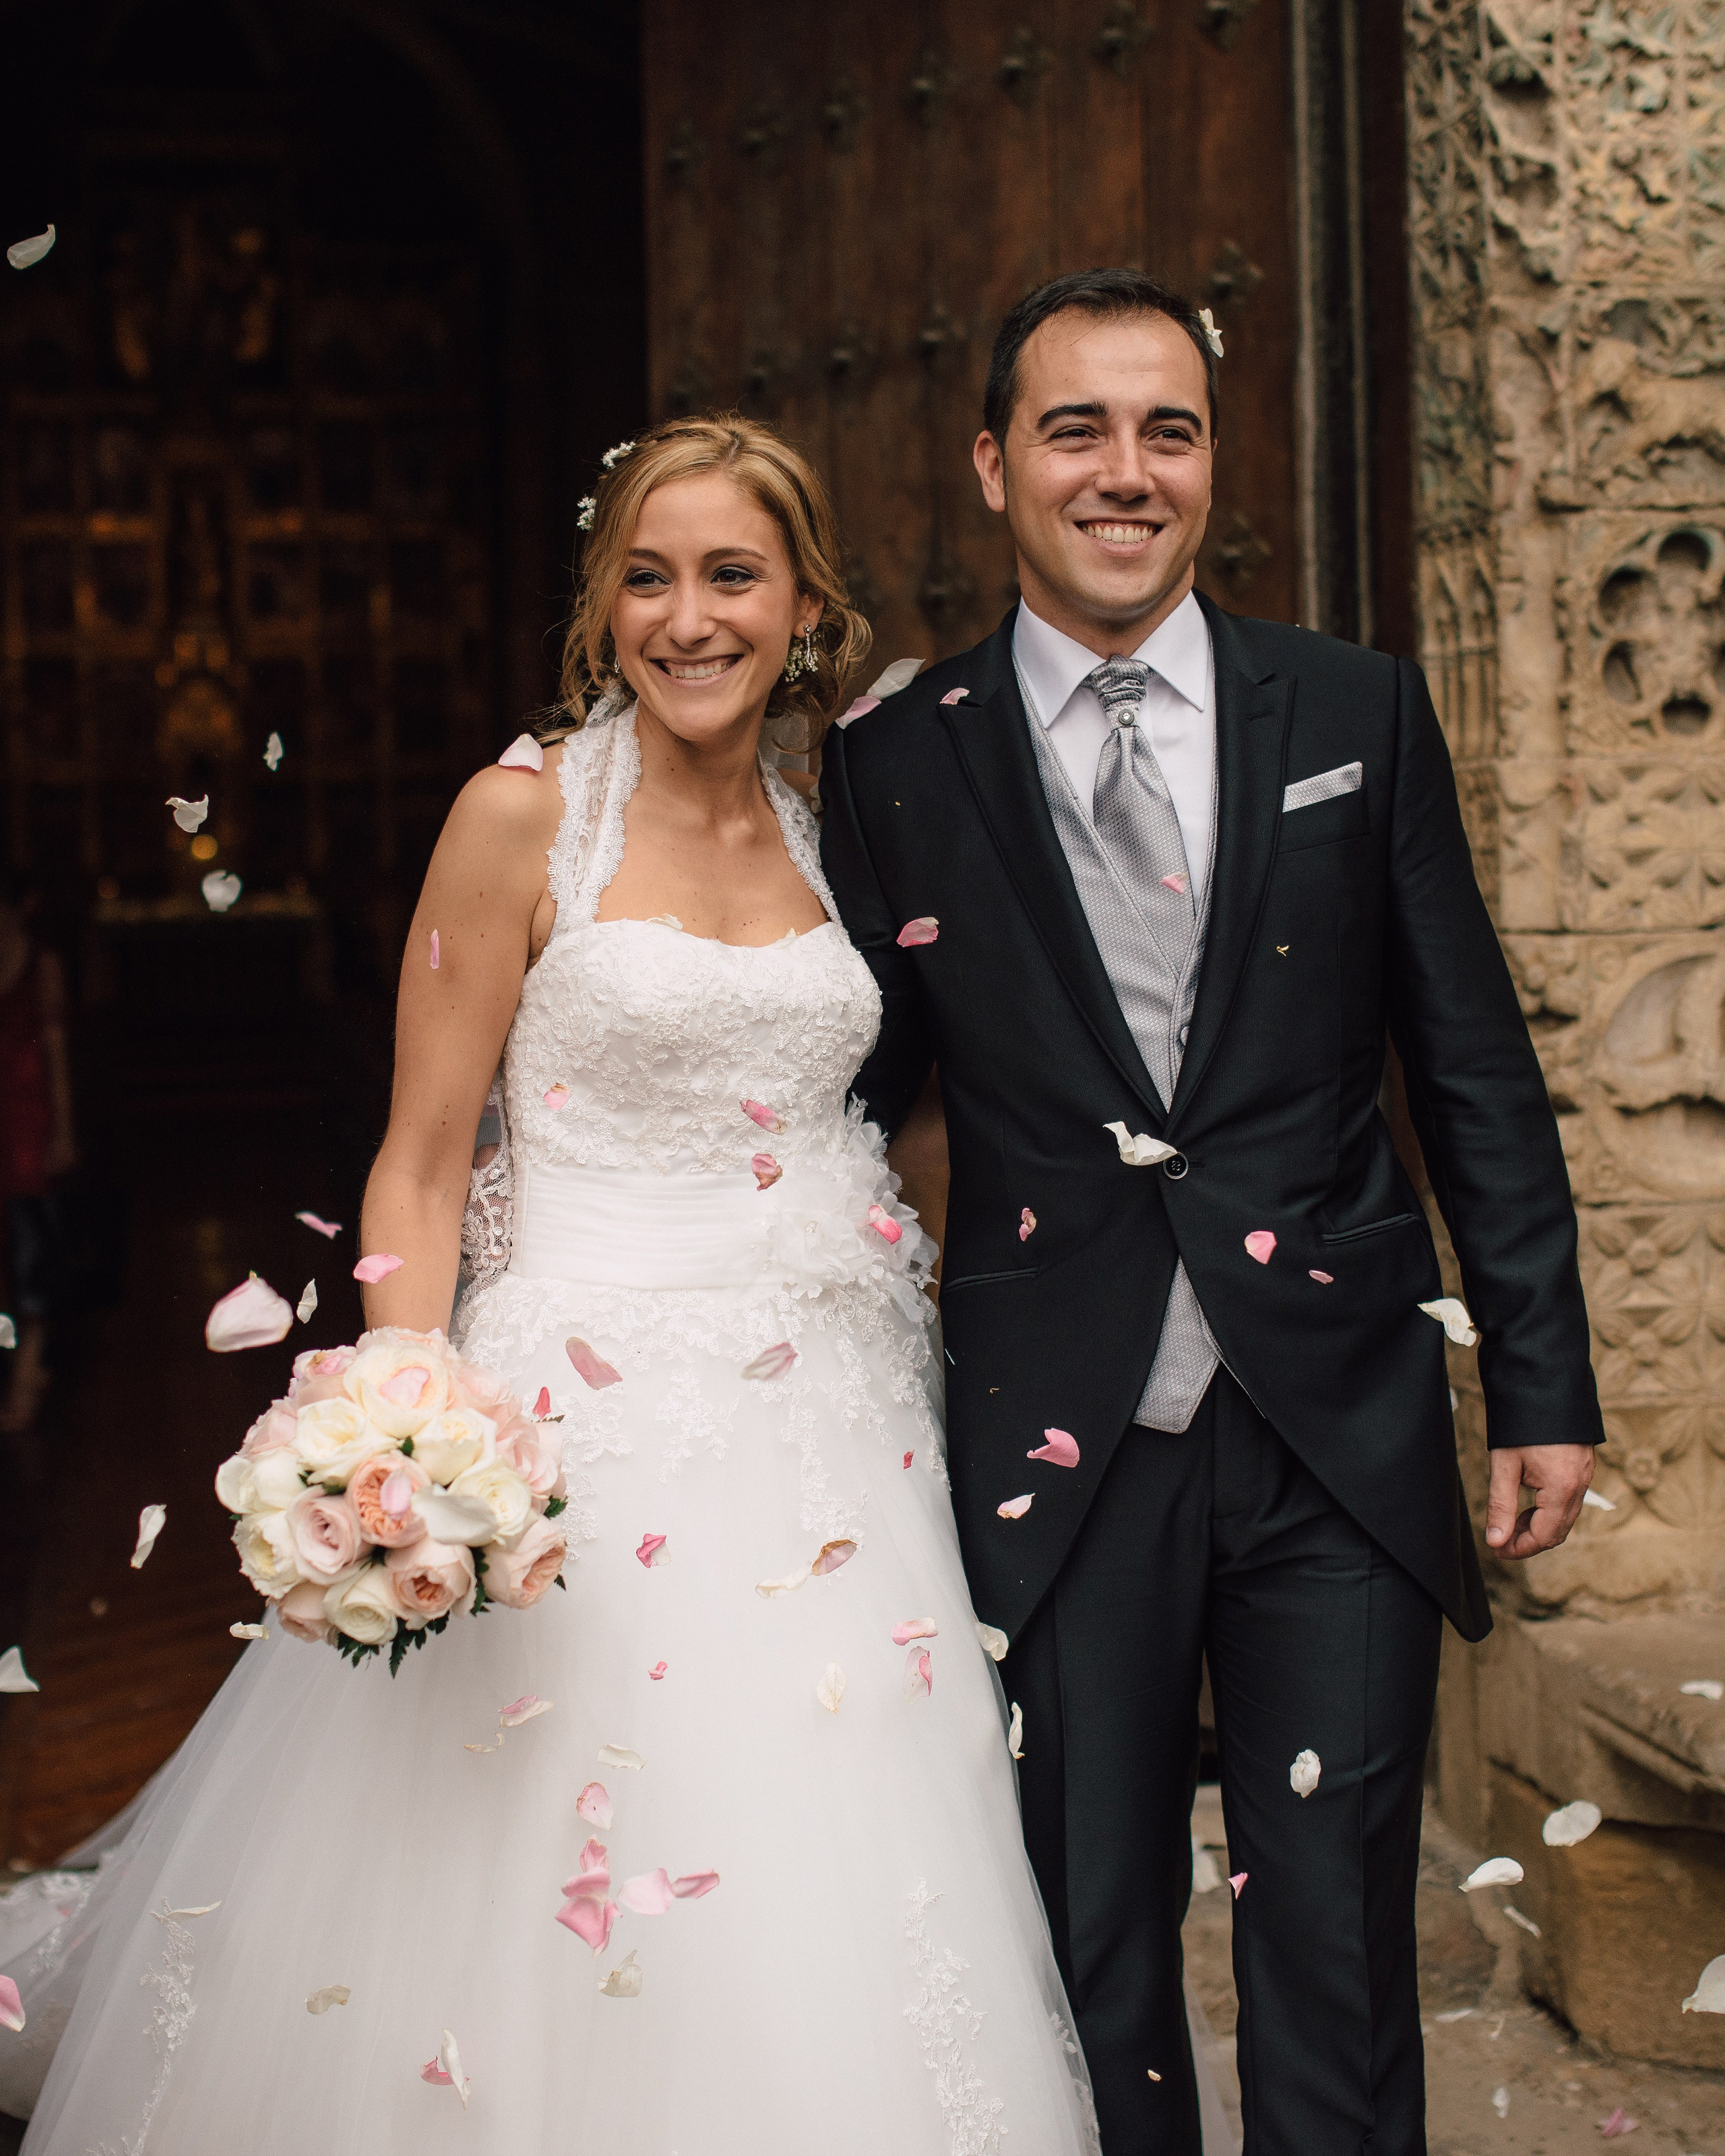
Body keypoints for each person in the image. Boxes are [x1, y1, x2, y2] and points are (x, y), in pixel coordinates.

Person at [20, 417, 1241, 2154]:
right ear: (601, 613)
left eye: (731, 577)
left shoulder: (837, 834)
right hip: (577, 1426)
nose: (689, 618)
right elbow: (424, 1158)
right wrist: (401, 1419)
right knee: (570, 1844)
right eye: (647, 580)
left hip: (839, 1435)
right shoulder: (516, 821)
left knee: (841, 1853)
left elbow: (888, 1124)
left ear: (801, 605)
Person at [818, 268, 1603, 2156]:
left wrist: (1546, 1381)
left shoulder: (1353, 708)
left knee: (1333, 1927)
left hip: (1336, 1416)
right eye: (1077, 429)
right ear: (994, 462)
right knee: (1086, 1933)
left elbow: (1471, 1061)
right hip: (1049, 1431)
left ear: (1211, 464)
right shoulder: (893, 758)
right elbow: (835, 1092)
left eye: (1167, 429)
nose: (1126, 472)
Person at [0, 875, 77, 1439]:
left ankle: (28, 1374)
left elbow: (55, 1049)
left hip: (27, 1117)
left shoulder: (41, 964)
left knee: (30, 1250)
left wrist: (65, 1129)